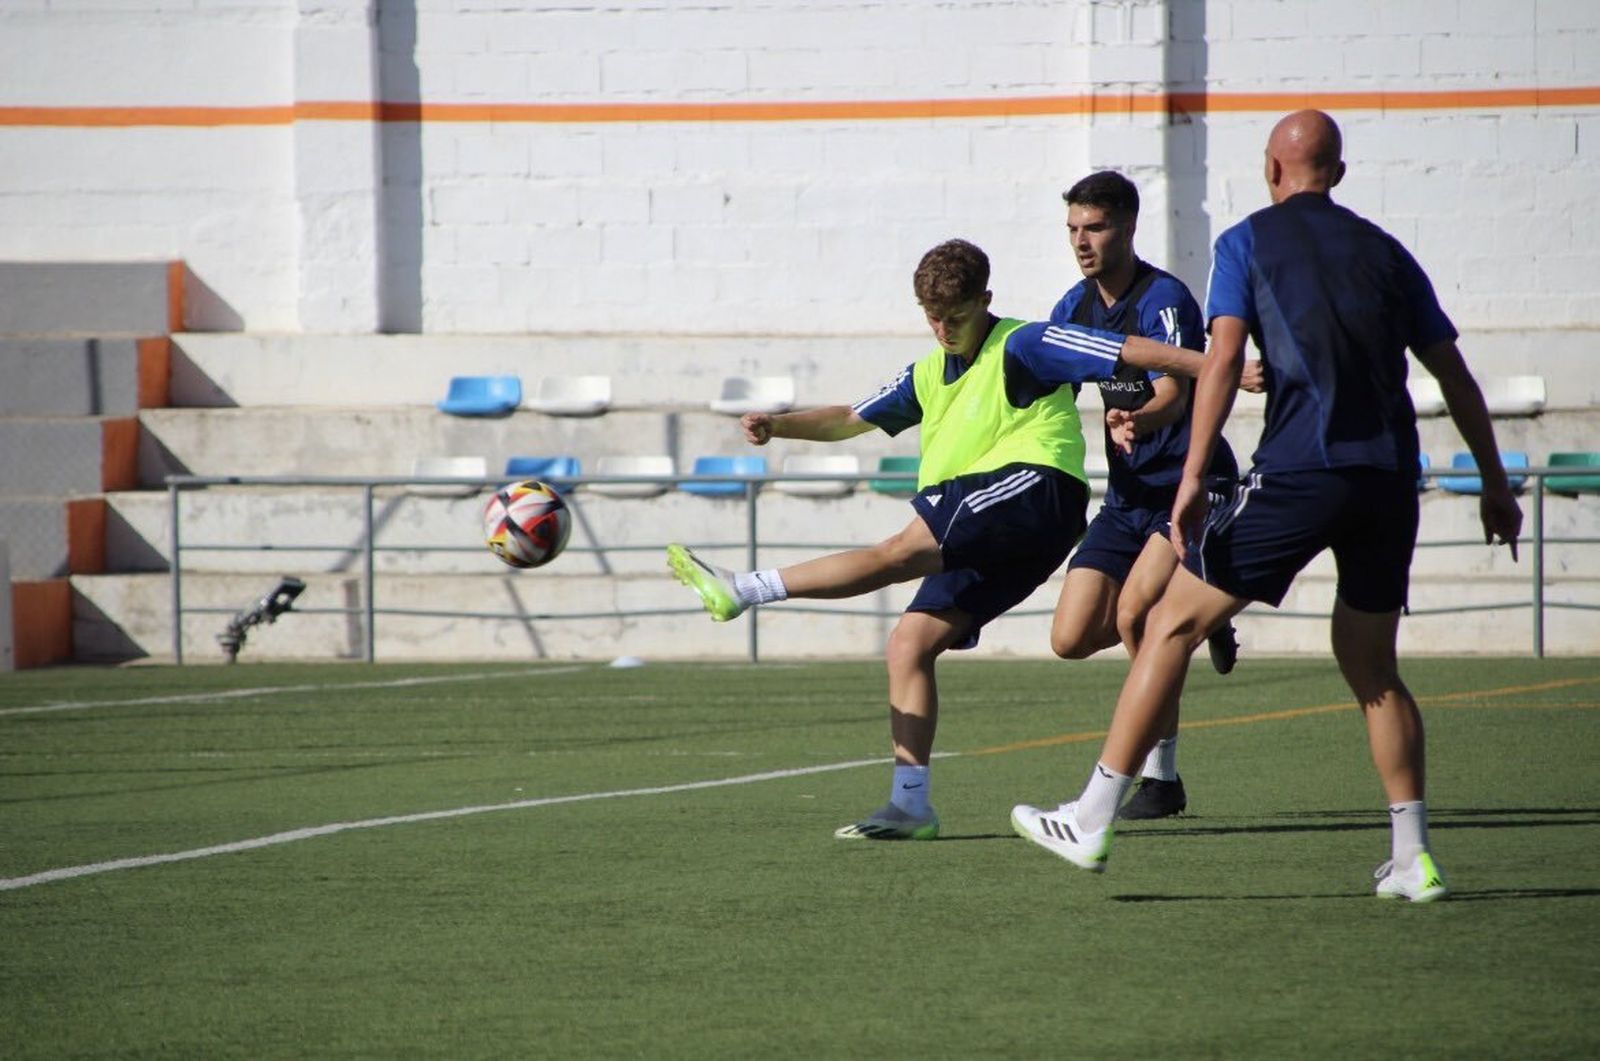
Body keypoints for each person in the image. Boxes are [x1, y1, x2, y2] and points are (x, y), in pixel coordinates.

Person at [1008, 110, 1524, 901]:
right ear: (1338, 174)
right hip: (1390, 476)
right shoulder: (1388, 250)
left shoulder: (1244, 243)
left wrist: (1188, 480)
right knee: (1375, 667)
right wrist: (1494, 482)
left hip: (1299, 471)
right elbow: (1453, 374)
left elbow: (1217, 365)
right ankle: (1413, 853)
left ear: (1270, 170)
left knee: (1168, 624)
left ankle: (1093, 813)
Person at [666, 237, 1208, 841]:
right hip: (988, 525)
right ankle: (910, 805)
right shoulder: (927, 371)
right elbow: (852, 418)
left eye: (956, 316)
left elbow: (1126, 349)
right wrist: (778, 425)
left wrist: (1217, 365)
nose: (943, 329)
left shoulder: (1026, 342)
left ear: (986, 300)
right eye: (932, 317)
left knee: (898, 552)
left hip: (1033, 491)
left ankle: (745, 588)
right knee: (910, 642)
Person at [1044, 170, 1241, 821]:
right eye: (1073, 228)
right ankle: (1197, 616)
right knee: (1070, 638)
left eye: (1094, 227)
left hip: (1189, 488)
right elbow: (1044, 390)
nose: (1081, 241)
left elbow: (1175, 392)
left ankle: (1162, 778)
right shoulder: (1072, 307)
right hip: (1126, 499)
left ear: (1127, 227)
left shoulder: (1165, 299)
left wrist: (1138, 420)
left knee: (1136, 616)